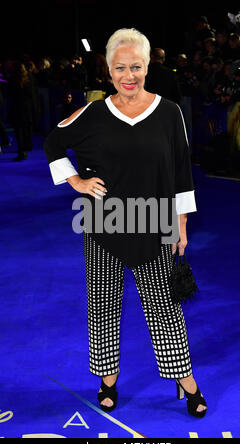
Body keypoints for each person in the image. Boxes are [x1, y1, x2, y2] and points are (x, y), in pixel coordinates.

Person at [43, 28, 207, 418]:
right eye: (120, 68)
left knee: (165, 308)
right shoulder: (94, 112)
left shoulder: (170, 113)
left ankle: (187, 382)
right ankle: (108, 381)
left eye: (136, 66)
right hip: (103, 225)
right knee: (102, 308)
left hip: (156, 223)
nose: (128, 75)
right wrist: (77, 182)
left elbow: (181, 171)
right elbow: (53, 142)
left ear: (148, 66)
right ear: (109, 70)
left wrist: (181, 224)